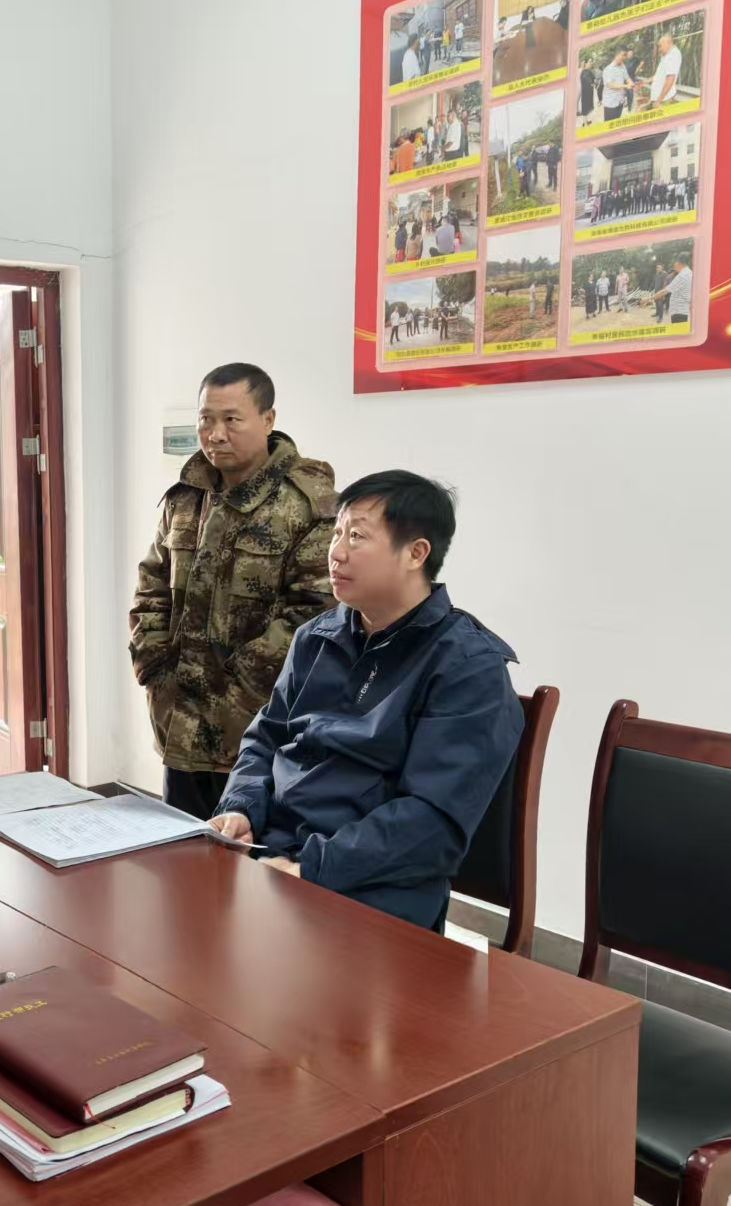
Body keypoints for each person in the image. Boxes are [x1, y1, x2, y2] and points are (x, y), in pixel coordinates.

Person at [207, 471, 523, 932]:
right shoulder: (315, 637)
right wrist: (240, 807)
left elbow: (430, 822)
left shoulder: (467, 666)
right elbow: (264, 739)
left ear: (416, 553)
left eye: (356, 536)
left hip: (372, 890)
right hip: (273, 856)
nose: (335, 552)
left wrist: (310, 870)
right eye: (337, 533)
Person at [130, 363, 336, 820]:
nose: (216, 434)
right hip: (178, 724)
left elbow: (315, 612)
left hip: (259, 730)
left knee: (248, 856)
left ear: (268, 419)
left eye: (231, 419)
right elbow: (151, 586)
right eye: (206, 419)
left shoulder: (307, 502)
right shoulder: (187, 495)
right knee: (181, 849)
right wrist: (155, 666)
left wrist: (235, 684)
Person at [652, 251, 693, 323]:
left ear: (678, 262)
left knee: (660, 305)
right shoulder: (689, 273)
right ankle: (658, 314)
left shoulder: (682, 275)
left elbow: (665, 290)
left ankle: (660, 318)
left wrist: (648, 299)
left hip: (679, 312)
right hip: (681, 311)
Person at [648, 33, 683, 108]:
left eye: (660, 46)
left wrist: (658, 101)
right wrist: (646, 81)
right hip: (660, 99)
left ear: (669, 43)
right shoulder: (666, 55)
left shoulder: (673, 55)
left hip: (663, 100)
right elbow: (659, 75)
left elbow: (670, 80)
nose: (659, 49)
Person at [602, 50, 632, 123]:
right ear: (616, 55)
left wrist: (631, 83)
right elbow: (610, 85)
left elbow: (627, 77)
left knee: (616, 123)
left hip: (620, 101)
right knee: (609, 126)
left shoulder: (623, 66)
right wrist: (625, 85)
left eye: (625, 55)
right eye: (623, 55)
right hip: (611, 103)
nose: (624, 57)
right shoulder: (608, 69)